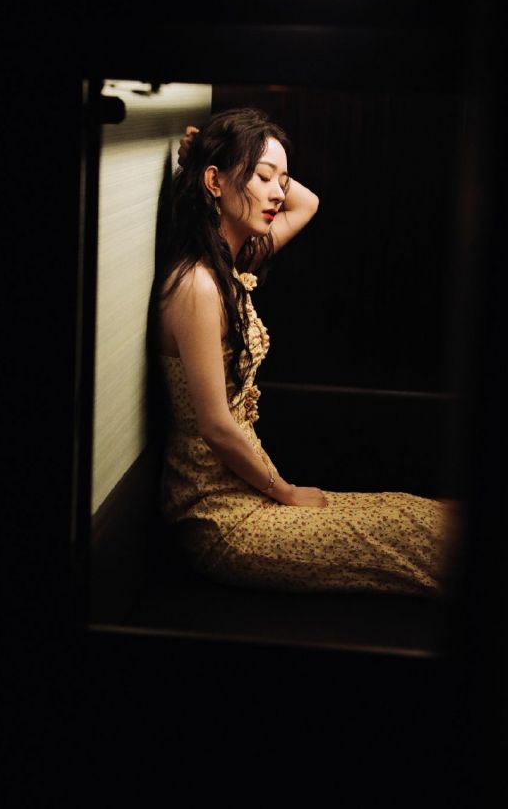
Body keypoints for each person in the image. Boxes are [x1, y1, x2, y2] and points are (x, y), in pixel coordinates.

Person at [148, 107, 460, 596]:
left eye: (282, 179)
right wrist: (286, 492)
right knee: (426, 538)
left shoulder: (231, 263)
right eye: (263, 177)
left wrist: (218, 154)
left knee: (426, 514)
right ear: (215, 182)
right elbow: (215, 426)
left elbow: (307, 203)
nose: (278, 192)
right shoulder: (196, 286)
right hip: (221, 514)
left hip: (253, 487)